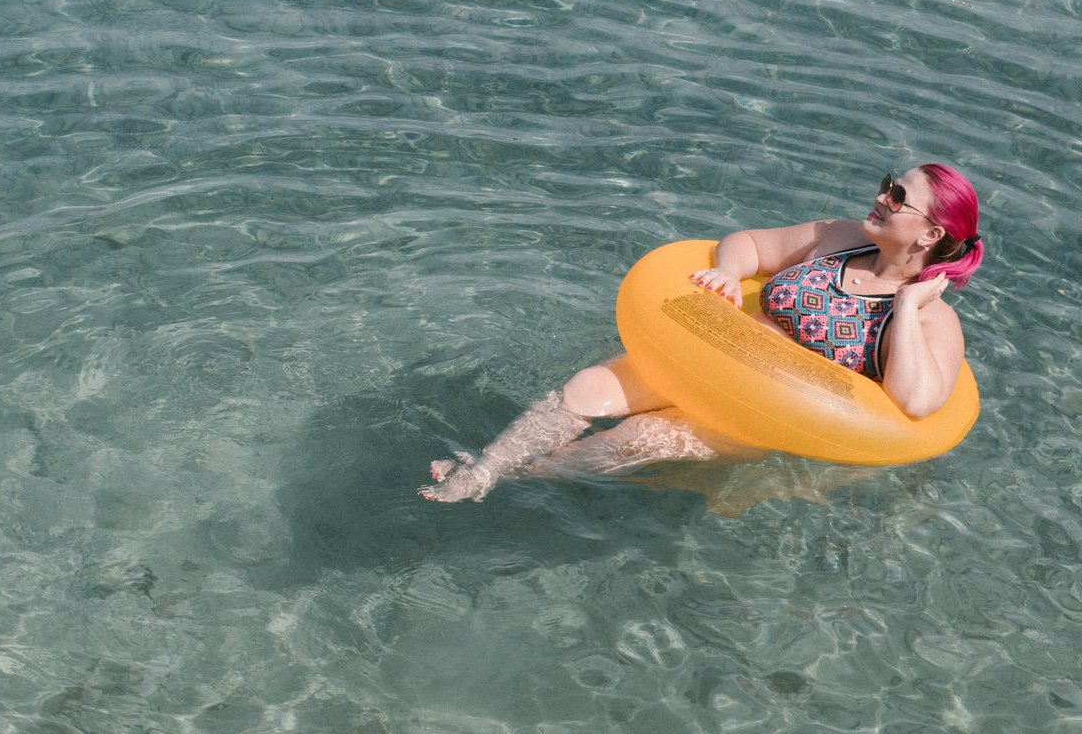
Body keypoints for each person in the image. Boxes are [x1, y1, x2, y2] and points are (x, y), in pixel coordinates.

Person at [420, 164, 984, 502]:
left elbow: (916, 402)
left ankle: (509, 483)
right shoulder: (837, 238)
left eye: (898, 197)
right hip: (713, 354)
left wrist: (907, 306)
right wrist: (729, 272)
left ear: (931, 232)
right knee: (587, 389)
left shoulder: (933, 320)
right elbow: (748, 243)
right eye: (889, 183)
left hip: (754, 410)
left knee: (627, 445)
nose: (882, 196)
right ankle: (486, 468)